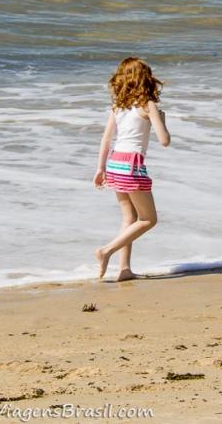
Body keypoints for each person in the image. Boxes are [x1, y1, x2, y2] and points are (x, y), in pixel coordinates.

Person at [93, 57, 170, 281]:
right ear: (146, 79)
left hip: (115, 162)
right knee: (149, 219)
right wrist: (162, 122)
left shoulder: (118, 106)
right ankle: (105, 251)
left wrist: (100, 169)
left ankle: (124, 269)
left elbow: (106, 139)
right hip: (132, 165)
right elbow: (164, 140)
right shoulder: (148, 105)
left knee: (129, 218)